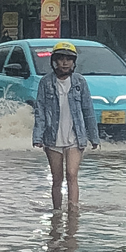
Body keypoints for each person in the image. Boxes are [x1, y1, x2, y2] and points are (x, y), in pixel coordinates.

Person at [33, 42, 99, 209]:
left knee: (71, 174)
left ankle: (73, 211)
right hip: (52, 137)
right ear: (54, 61)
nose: (64, 63)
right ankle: (56, 212)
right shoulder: (45, 82)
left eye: (68, 59)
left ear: (74, 62)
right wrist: (38, 136)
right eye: (61, 59)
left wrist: (94, 137)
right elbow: (40, 110)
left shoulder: (80, 82)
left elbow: (88, 110)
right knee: (57, 178)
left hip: (75, 137)